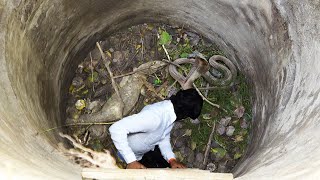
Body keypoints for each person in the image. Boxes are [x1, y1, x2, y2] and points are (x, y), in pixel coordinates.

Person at [109, 88, 203, 169]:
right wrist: (131, 161)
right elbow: (116, 128)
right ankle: (120, 160)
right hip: (129, 154)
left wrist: (171, 159)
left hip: (146, 148)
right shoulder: (154, 118)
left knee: (165, 167)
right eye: (187, 116)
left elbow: (163, 138)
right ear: (184, 113)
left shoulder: (170, 113)